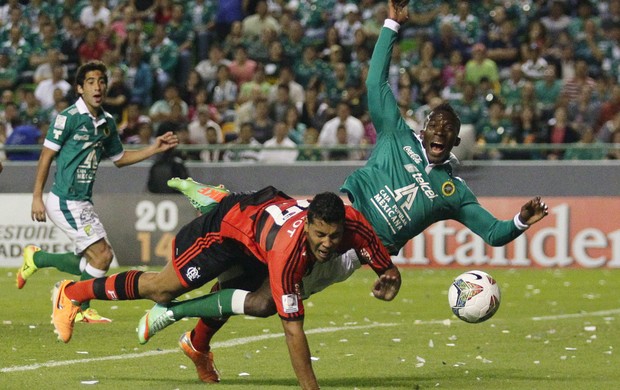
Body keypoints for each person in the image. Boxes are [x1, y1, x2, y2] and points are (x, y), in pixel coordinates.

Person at [156, 1, 550, 382]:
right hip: (336, 214)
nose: (440, 136)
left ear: (455, 142)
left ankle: (196, 337)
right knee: (264, 275)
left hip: (355, 250)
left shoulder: (453, 191)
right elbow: (375, 80)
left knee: (261, 286)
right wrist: (391, 26)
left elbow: (494, 233)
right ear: (425, 127)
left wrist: (521, 220)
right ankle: (215, 224)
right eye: (435, 128)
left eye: (447, 135)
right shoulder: (397, 133)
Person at [50, 187, 400, 390]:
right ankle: (72, 293)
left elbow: (389, 271)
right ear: (308, 224)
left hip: (258, 229)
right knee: (161, 289)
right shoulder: (288, 253)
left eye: (334, 236)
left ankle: (197, 345)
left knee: (261, 302)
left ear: (346, 227)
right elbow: (293, 331)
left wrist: (390, 281)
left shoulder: (356, 225)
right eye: (320, 235)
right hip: (224, 231)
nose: (327, 244)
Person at [21, 60, 179, 323]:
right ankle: (72, 302)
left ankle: (37, 258)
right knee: (102, 256)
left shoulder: (106, 122)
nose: (98, 87)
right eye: (91, 82)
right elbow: (46, 156)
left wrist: (153, 149)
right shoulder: (68, 118)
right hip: (65, 200)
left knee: (91, 260)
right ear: (80, 88)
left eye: (102, 81)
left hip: (83, 201)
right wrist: (37, 196)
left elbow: (119, 158)